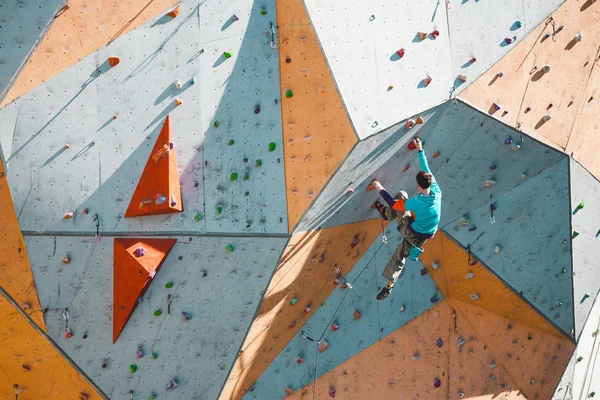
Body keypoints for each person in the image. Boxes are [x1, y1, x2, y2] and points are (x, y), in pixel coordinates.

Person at [371, 138, 442, 300]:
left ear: (418, 186)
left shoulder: (418, 202)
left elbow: (394, 204)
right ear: (430, 182)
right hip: (425, 236)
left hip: (412, 231)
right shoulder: (436, 191)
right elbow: (426, 168)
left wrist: (379, 188)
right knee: (401, 255)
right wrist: (420, 150)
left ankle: (386, 214)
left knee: (401, 196)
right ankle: (389, 286)